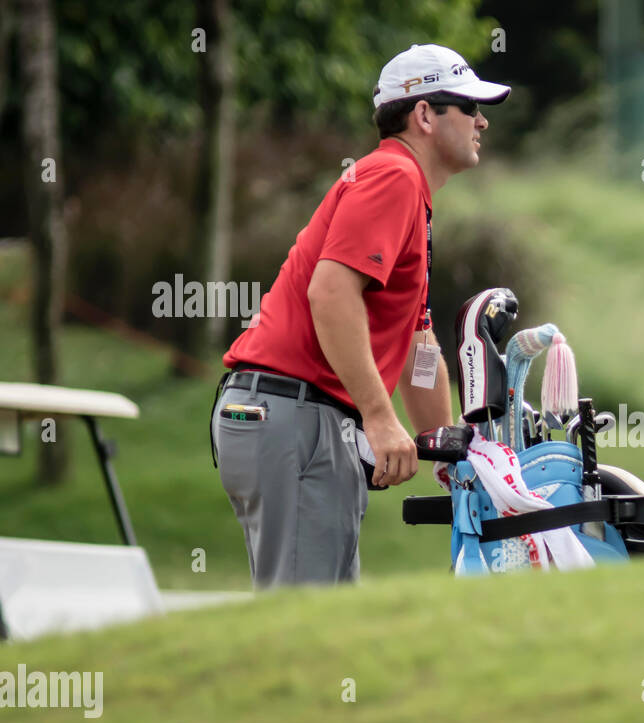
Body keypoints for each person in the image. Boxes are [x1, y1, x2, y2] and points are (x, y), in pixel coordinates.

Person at [211, 43, 509, 587]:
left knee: (326, 611)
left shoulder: (408, 190)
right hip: (296, 413)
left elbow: (420, 343)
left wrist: (449, 451)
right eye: (469, 107)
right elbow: (330, 295)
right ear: (424, 114)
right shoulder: (393, 177)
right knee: (307, 622)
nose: (482, 121)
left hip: (293, 414)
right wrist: (378, 415)